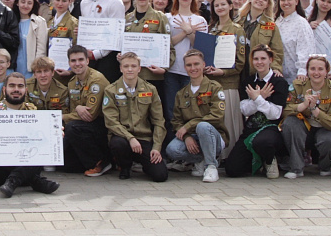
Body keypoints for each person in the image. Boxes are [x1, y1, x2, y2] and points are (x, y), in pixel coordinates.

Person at [0, 72, 60, 197]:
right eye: (12, 86)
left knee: (39, 144)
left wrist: (55, 134)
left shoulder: (32, 110)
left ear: (26, 90)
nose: (16, 89)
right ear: (4, 89)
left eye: (20, 86)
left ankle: (12, 182)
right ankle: (36, 181)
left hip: (24, 164)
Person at [224, 44, 288, 178]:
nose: (259, 62)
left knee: (263, 142)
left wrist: (257, 99)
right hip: (251, 129)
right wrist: (260, 98)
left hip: (272, 128)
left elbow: (275, 114)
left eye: (263, 58)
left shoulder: (279, 82)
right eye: (256, 59)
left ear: (270, 59)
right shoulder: (248, 81)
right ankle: (258, 161)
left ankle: (270, 160)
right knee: (232, 169)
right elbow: (245, 110)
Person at [102, 52, 168, 182]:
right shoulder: (111, 90)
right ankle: (125, 166)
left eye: (133, 66)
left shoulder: (150, 90)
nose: (130, 69)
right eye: (126, 66)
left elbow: (159, 121)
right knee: (118, 144)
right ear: (121, 68)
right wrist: (130, 138)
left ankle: (145, 165)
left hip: (144, 138)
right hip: (123, 137)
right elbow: (111, 122)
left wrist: (156, 147)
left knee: (160, 175)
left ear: (139, 68)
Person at [166, 50, 228, 183]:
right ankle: (200, 160)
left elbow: (217, 116)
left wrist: (188, 126)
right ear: (185, 67)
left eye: (196, 64)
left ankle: (211, 166)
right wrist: (187, 137)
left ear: (203, 65)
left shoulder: (215, 87)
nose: (193, 68)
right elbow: (176, 121)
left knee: (203, 126)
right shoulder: (181, 93)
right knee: (172, 150)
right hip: (193, 137)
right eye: (189, 65)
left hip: (213, 136)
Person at [280, 55, 331, 178]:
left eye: (320, 69)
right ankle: (296, 168)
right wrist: (303, 105)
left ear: (326, 71)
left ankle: (325, 165)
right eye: (312, 69)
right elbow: (285, 111)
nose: (316, 73)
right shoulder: (298, 86)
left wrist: (315, 109)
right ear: (307, 71)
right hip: (304, 128)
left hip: (324, 129)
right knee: (290, 123)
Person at [61, 46, 112, 176]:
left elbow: (90, 115)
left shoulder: (96, 80)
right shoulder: (72, 82)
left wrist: (62, 117)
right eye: (73, 60)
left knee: (73, 127)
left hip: (103, 126)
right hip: (84, 126)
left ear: (87, 61)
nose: (77, 64)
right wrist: (78, 109)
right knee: (66, 165)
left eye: (81, 60)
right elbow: (75, 112)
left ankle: (100, 162)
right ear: (69, 63)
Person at [205, 0, 247, 147]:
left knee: (229, 121)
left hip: (228, 84)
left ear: (230, 6)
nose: (220, 7)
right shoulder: (210, 30)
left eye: (223, 4)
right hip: (211, 83)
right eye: (216, 5)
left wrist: (223, 72)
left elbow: (240, 62)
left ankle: (230, 154)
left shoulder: (237, 30)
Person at [167, 0, 208, 125]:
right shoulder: (168, 18)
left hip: (192, 71)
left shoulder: (200, 20)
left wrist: (190, 32)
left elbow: (200, 47)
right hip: (171, 69)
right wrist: (185, 32)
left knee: (190, 109)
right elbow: (166, 43)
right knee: (171, 108)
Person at [80, 0, 126, 82]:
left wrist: (96, 54)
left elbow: (116, 35)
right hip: (88, 57)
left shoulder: (115, 2)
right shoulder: (84, 2)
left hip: (108, 59)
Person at [125, 0, 172, 95]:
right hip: (132, 74)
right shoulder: (128, 18)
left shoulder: (160, 17)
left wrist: (164, 69)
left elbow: (169, 46)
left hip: (153, 74)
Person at [237, 0, 285, 78]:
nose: (260, 0)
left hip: (258, 72)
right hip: (237, 71)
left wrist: (275, 68)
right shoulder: (237, 22)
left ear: (267, 5)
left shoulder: (271, 26)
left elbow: (277, 51)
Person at [274, 0, 316, 78]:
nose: (286, 2)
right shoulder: (275, 22)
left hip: (297, 76)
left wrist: (302, 71)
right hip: (277, 75)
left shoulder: (301, 23)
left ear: (296, 1)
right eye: (283, 0)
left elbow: (305, 49)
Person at [14, 0, 48, 78]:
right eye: (23, 2)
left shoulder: (39, 21)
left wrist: (37, 69)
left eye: (29, 3)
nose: (25, 5)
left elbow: (41, 49)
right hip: (13, 67)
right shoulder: (12, 21)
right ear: (17, 3)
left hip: (30, 69)